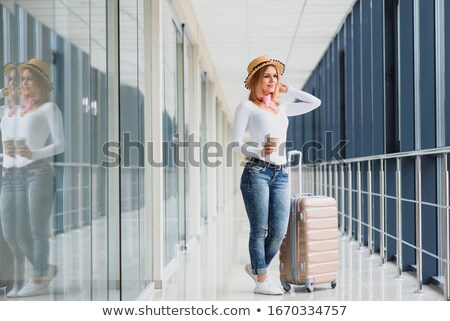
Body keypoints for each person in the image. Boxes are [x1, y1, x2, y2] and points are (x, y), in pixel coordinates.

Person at [232, 55, 321, 295]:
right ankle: (261, 280)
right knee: (259, 229)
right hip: (257, 172)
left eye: (275, 76)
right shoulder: (246, 107)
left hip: (281, 173)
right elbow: (235, 144)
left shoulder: (280, 107)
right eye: (267, 76)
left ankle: (256, 266)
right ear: (255, 79)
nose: (272, 80)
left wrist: (288, 88)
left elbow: (315, 102)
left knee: (279, 229)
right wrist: (258, 149)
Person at [12, 58, 64, 297]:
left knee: (37, 230)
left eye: (29, 78)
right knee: (18, 231)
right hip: (17, 175)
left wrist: (34, 153)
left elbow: (60, 145)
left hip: (40, 173)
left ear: (41, 82)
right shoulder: (21, 111)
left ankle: (38, 279)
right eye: (22, 79)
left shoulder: (49, 108)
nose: (23, 83)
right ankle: (45, 269)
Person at [0, 62, 25, 297]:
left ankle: (19, 278)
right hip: (6, 173)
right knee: (6, 230)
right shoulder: (3, 111)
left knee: (14, 232)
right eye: (9, 81)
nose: (13, 85)